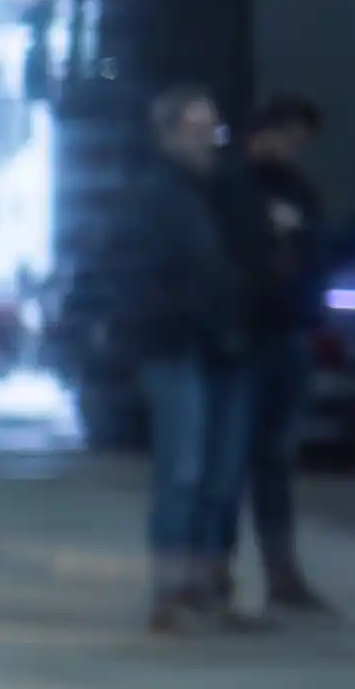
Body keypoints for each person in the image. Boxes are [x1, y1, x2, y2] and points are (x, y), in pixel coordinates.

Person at [109, 84, 261, 633]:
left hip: (224, 345)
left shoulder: (220, 189)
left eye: (211, 128)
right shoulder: (156, 195)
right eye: (195, 128)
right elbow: (159, 273)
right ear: (167, 133)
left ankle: (207, 587)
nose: (207, 140)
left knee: (220, 476)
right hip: (175, 346)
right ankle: (171, 593)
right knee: (184, 472)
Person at [232, 94, 334, 616]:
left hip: (287, 334)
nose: (294, 149)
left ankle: (282, 575)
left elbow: (317, 249)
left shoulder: (298, 188)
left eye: (301, 142)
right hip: (246, 337)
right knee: (230, 461)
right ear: (265, 131)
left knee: (274, 458)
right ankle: (214, 578)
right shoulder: (234, 186)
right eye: (289, 138)